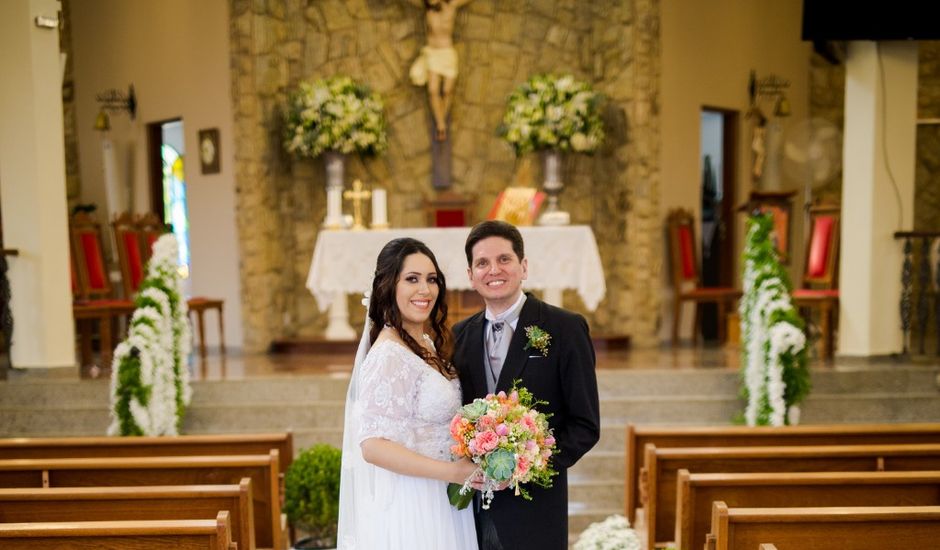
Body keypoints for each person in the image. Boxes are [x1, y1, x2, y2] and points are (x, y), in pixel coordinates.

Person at [453, 221, 601, 550]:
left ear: (523, 266)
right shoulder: (458, 336)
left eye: (504, 259)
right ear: (470, 275)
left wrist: (526, 465)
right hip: (470, 517)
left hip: (536, 514)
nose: (494, 270)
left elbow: (585, 426)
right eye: (482, 263)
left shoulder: (565, 328)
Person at [337, 237, 478, 549]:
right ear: (389, 286)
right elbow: (373, 446)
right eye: (412, 279)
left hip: (443, 495)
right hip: (415, 502)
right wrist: (452, 471)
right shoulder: (388, 354)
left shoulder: (425, 343)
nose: (425, 290)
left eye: (431, 279)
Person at [409, 0, 473, 141]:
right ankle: (441, 125)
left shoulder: (452, 5)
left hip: (447, 53)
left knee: (447, 91)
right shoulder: (427, 9)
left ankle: (440, 122)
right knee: (433, 90)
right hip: (433, 53)